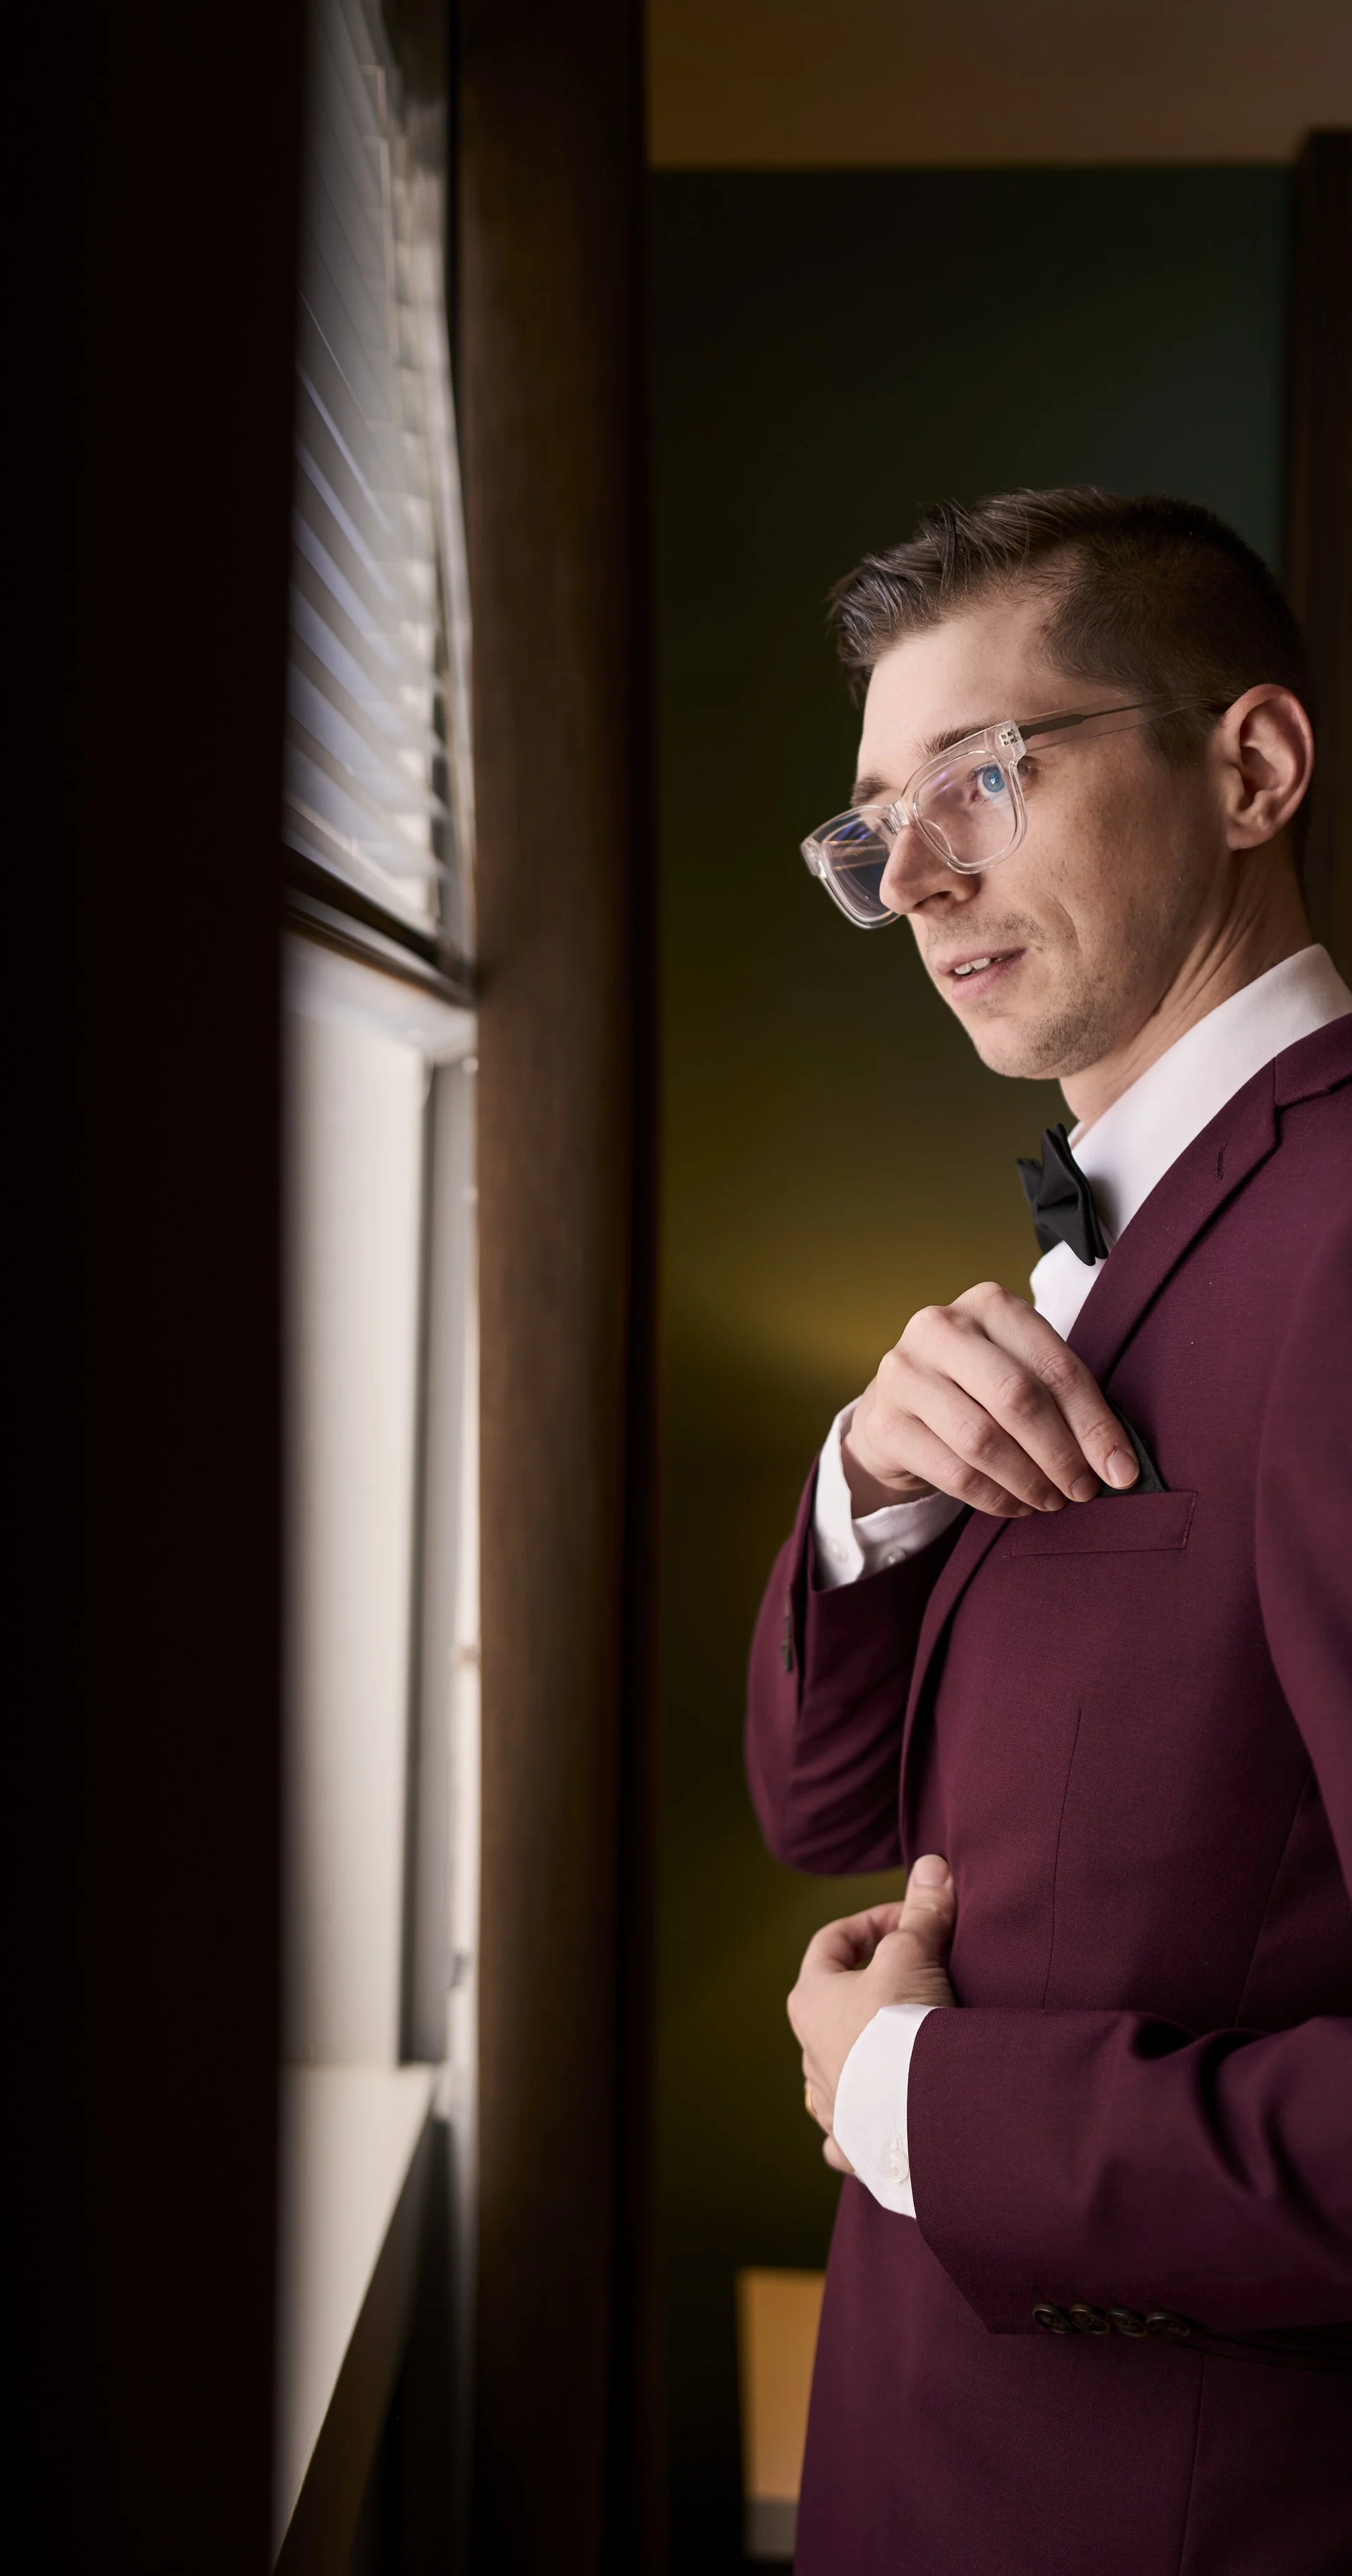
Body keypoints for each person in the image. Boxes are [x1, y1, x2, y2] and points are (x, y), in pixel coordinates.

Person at [744, 487, 1352, 2574]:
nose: (910, 876)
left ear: (1249, 766)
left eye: (981, 774)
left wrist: (907, 2100)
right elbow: (820, 1794)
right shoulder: (1123, 1228)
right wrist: (864, 1493)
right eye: (871, 820)